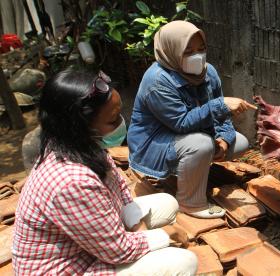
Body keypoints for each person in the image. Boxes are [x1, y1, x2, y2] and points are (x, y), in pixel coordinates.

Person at [12, 69, 197, 275]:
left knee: (167, 203)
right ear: (79, 125)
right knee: (183, 262)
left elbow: (118, 185)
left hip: (84, 247)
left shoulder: (77, 144)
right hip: (67, 268)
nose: (121, 124)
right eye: (112, 120)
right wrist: (164, 236)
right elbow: (118, 250)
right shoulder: (71, 181)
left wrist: (139, 229)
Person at [128, 21, 256, 219]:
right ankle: (191, 203)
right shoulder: (157, 81)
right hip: (154, 143)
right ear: (172, 50)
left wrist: (223, 140)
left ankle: (192, 169)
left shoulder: (208, 72)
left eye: (201, 49)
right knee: (201, 145)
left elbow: (220, 116)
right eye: (188, 51)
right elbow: (182, 122)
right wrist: (220, 105)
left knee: (239, 142)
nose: (197, 56)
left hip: (189, 136)